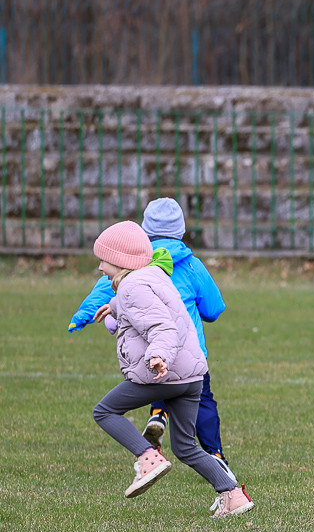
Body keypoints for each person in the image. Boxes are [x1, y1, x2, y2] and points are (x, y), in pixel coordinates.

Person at [88, 220, 253, 518]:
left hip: (164, 374)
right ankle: (233, 494)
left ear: (120, 261)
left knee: (104, 411)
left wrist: (158, 356)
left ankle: (148, 457)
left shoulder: (132, 288)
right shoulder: (153, 275)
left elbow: (161, 326)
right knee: (186, 447)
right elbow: (156, 304)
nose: (100, 267)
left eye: (104, 259)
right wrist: (114, 305)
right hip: (191, 376)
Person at [69, 198, 234, 482]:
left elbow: (113, 296)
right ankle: (220, 467)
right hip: (193, 357)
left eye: (102, 262)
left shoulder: (132, 272)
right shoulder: (185, 266)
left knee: (115, 404)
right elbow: (214, 308)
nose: (99, 267)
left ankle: (154, 433)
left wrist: (82, 315)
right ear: (180, 231)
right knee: (197, 414)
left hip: (159, 357)